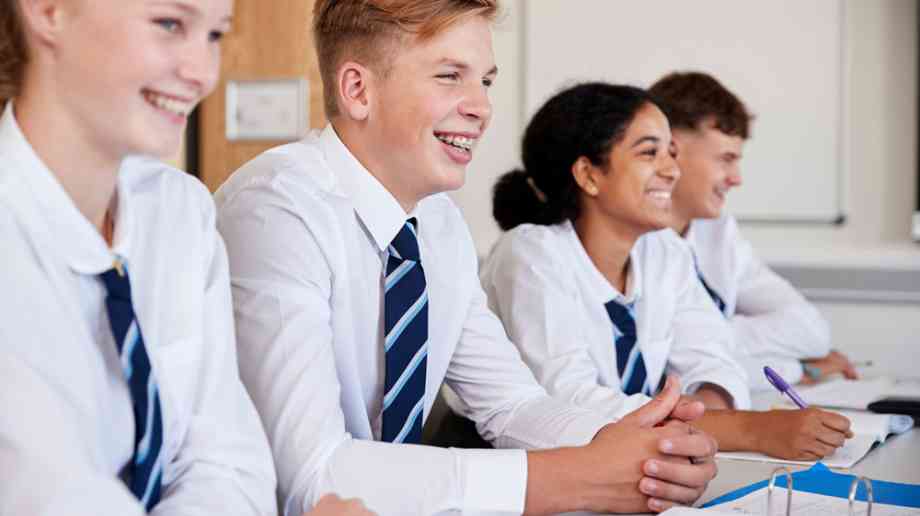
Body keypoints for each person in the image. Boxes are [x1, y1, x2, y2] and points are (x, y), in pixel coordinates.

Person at [214, 1, 721, 514]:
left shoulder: (438, 224)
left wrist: (645, 447)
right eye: (450, 76)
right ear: (357, 90)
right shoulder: (275, 210)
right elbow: (315, 476)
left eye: (486, 82)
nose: (481, 107)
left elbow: (511, 404)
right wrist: (572, 477)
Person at [0, 1, 367, 514]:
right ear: (49, 11)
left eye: (215, 35)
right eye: (170, 24)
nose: (202, 74)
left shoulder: (178, 214)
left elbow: (231, 471)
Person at [481, 82, 853, 462]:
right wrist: (746, 430)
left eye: (672, 153)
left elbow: (713, 359)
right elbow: (568, 401)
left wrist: (698, 418)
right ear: (589, 175)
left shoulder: (664, 252)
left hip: (641, 459)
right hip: (529, 470)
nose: (672, 170)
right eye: (650, 153)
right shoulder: (531, 253)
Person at [647, 71, 858, 389]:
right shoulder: (632, 239)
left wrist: (707, 338)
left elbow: (811, 331)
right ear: (670, 151)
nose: (736, 178)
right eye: (725, 159)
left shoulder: (717, 231)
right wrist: (796, 370)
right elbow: (663, 373)